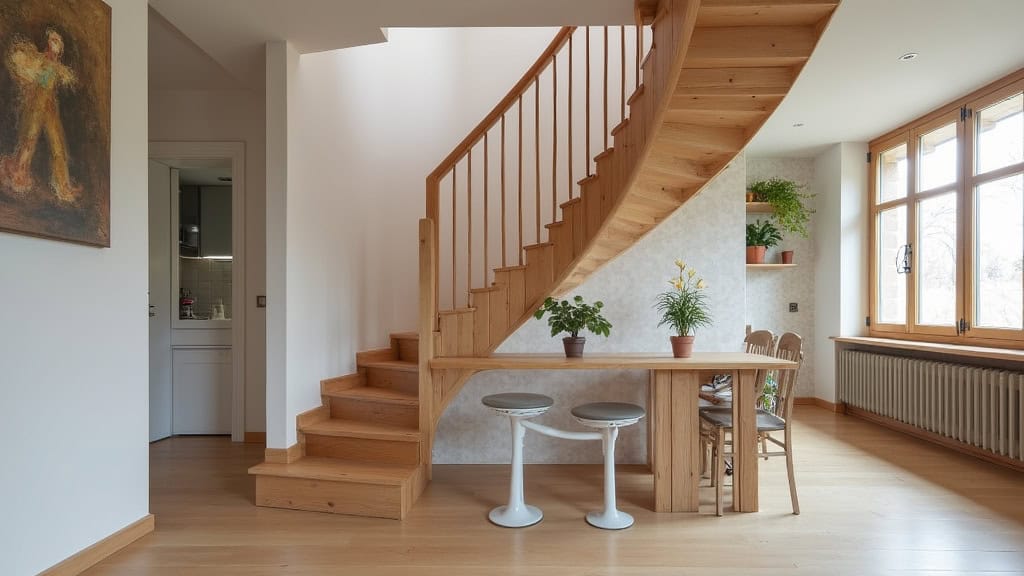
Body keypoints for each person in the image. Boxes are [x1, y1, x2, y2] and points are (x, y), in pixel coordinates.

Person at [1, 28, 81, 204]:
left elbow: (66, 78)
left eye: (58, 42)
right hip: (36, 107)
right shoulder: (40, 60)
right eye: (53, 41)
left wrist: (63, 74)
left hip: (49, 109)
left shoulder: (56, 66)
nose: (55, 45)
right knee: (28, 142)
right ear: (48, 43)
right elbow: (32, 80)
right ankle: (18, 174)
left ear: (61, 48)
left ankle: (63, 186)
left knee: (58, 146)